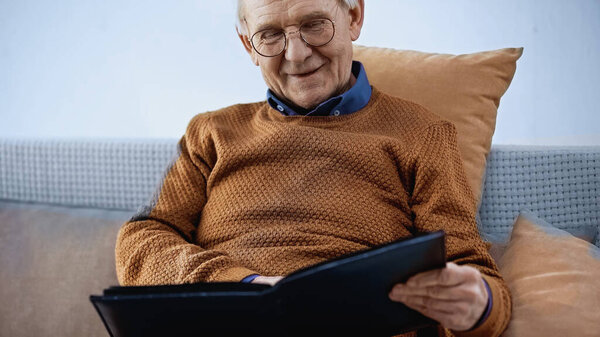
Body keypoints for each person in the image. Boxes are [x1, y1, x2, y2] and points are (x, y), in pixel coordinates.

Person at [115, 0, 511, 336]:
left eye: (314, 25)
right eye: (270, 35)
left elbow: (472, 269)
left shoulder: (422, 134)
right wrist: (244, 286)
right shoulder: (211, 132)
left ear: (353, 16)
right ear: (247, 45)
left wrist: (480, 306)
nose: (297, 54)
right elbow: (141, 240)